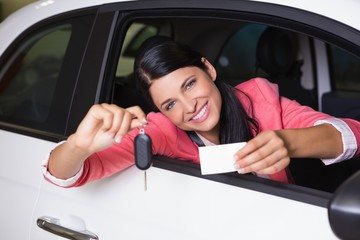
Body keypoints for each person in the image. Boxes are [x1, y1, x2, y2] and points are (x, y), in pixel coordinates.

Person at [43, 36, 360, 187]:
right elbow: (66, 173)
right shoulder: (161, 131)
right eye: (169, 104)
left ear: (207, 69)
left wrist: (287, 143)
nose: (188, 107)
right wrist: (78, 146)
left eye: (190, 84)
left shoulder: (258, 99)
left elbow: (351, 134)